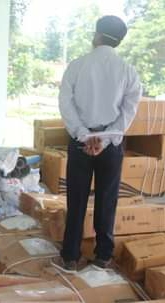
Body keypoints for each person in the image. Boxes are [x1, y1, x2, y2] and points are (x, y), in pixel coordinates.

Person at [55, 15, 141, 272]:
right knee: (107, 199)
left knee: (77, 199)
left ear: (97, 35)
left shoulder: (77, 65)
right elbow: (129, 110)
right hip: (110, 145)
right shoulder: (127, 70)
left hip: (80, 142)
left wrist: (83, 134)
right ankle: (103, 255)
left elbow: (65, 102)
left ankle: (70, 256)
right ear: (119, 41)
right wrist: (106, 139)